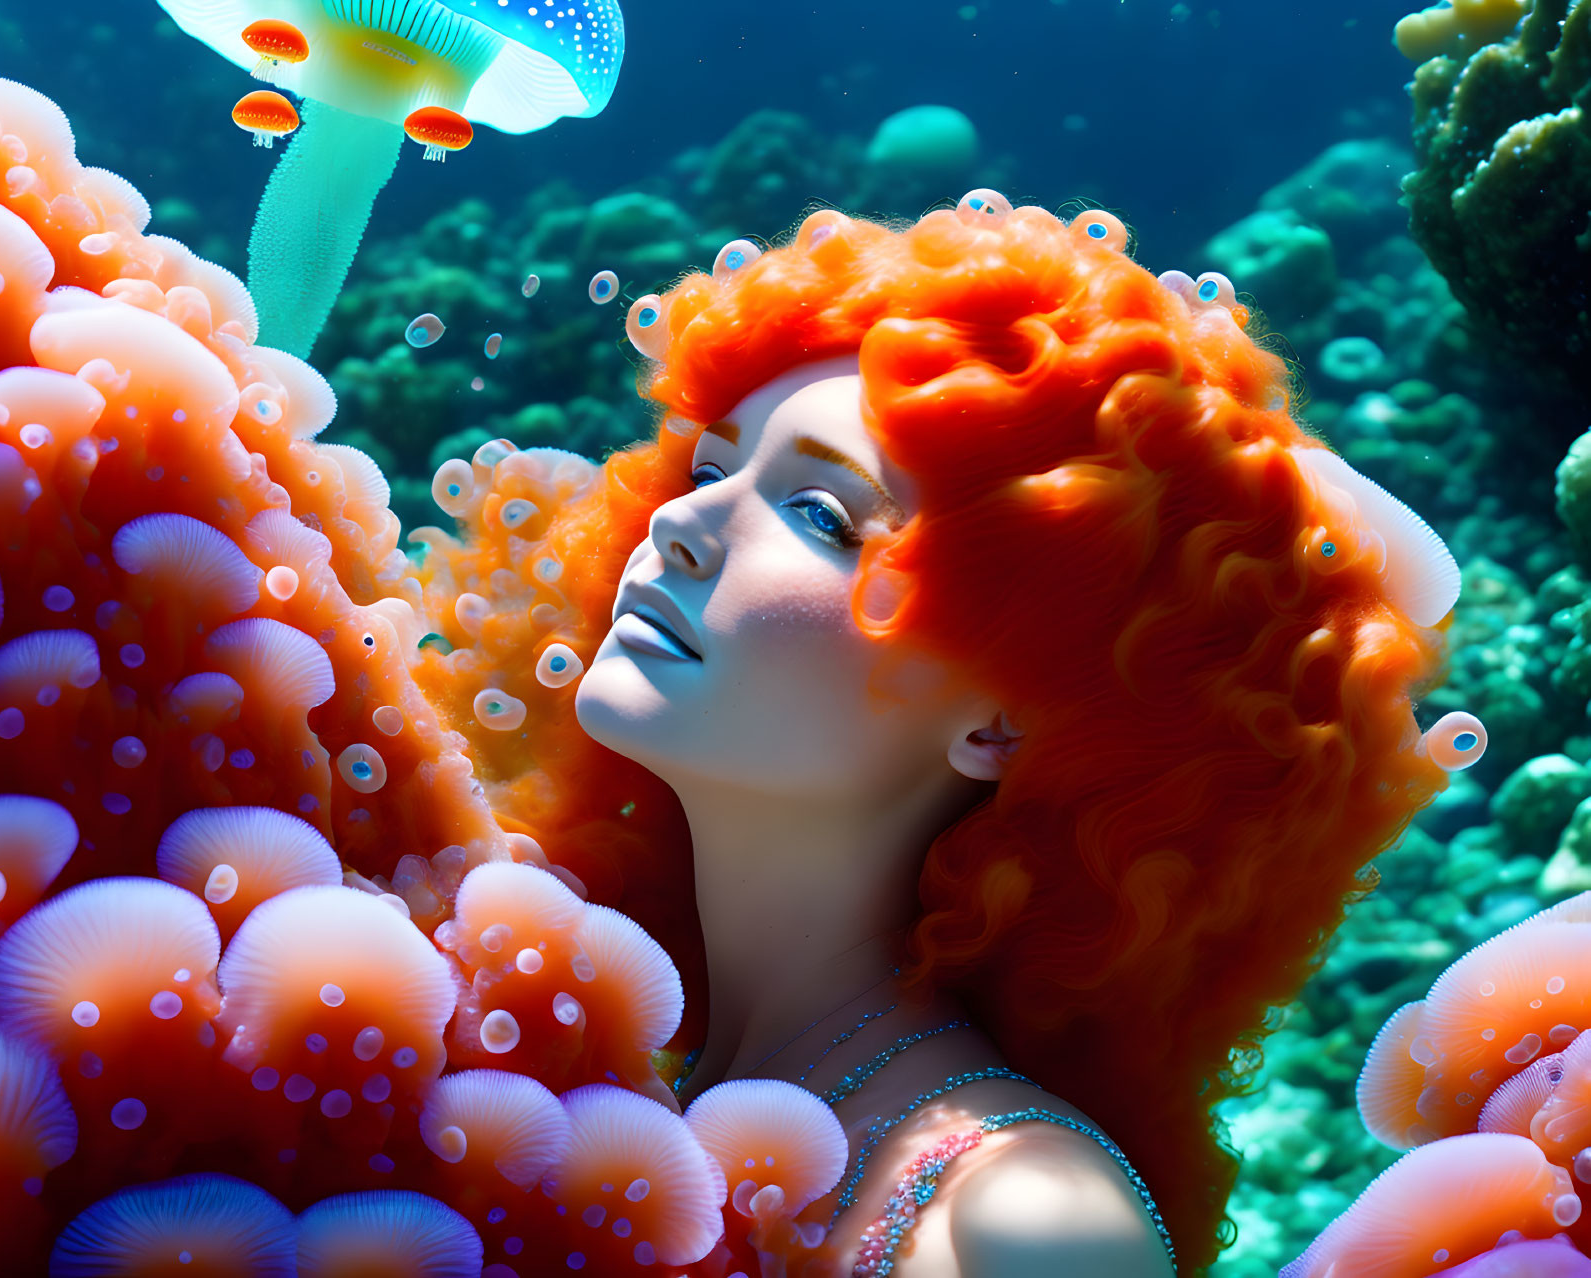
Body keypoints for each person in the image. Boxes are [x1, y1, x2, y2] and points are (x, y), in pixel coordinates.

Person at [560, 192, 1474, 1276]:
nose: (680, 521)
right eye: (711, 470)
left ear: (1005, 720)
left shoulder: (1018, 1221)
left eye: (821, 517)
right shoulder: (579, 1044)